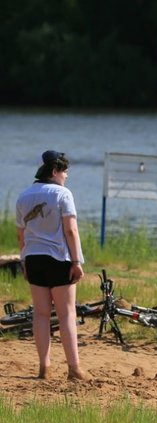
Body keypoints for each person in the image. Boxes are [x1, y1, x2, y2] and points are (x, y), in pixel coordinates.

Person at [15, 150, 88, 381]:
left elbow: (21, 236)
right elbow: (71, 230)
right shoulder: (63, 194)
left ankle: (44, 367)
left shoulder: (23, 196)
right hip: (59, 258)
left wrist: (25, 260)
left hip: (34, 259)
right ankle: (74, 368)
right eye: (65, 171)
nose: (66, 176)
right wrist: (76, 261)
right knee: (66, 313)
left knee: (41, 314)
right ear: (54, 171)